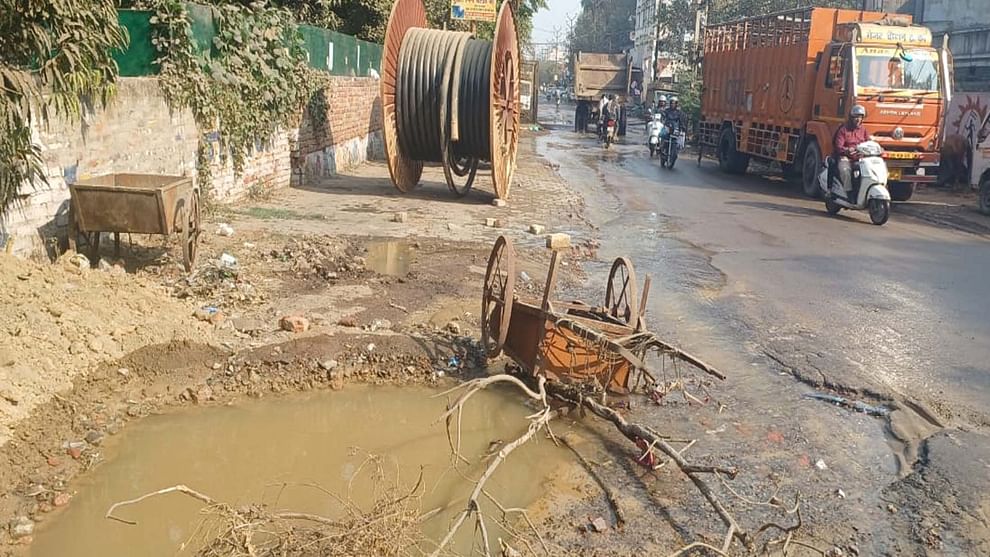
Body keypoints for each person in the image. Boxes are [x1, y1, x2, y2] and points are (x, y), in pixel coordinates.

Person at [832, 104, 870, 195]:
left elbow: (869, 142)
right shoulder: (843, 130)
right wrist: (847, 150)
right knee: (845, 171)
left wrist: (878, 147)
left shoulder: (864, 130)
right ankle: (848, 192)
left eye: (860, 117)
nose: (858, 119)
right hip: (845, 157)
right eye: (855, 117)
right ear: (851, 117)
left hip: (860, 158)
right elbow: (838, 146)